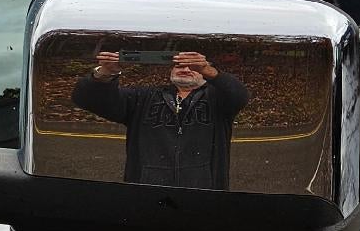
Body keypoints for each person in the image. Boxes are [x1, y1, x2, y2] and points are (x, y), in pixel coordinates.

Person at [70, 48, 251, 190]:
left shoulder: (218, 99)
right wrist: (104, 73)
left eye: (193, 67)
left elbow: (240, 95)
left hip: (204, 191)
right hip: (147, 193)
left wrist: (211, 72)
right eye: (179, 65)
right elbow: (87, 99)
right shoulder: (143, 97)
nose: (185, 69)